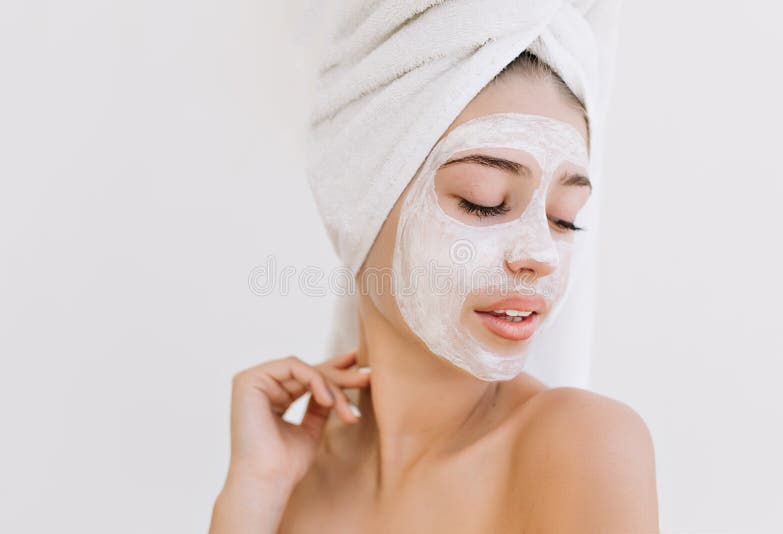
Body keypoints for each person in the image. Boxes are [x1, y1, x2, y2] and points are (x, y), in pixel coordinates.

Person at [208, 51, 659, 533]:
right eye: (483, 202)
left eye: (565, 218)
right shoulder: (290, 468)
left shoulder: (583, 445)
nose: (541, 254)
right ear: (359, 202)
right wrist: (254, 491)